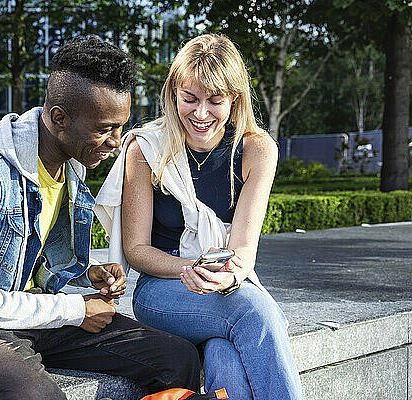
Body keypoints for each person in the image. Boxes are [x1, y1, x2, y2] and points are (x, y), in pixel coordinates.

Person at [0, 36, 201, 399]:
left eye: (121, 126)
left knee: (178, 358)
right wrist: (74, 309)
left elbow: (32, 259)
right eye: (105, 128)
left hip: (37, 317)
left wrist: (88, 275)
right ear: (59, 119)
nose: (117, 141)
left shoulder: (70, 165)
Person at [95, 34, 305, 399]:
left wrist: (222, 278)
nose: (201, 113)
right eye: (189, 99)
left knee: (221, 352)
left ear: (234, 99)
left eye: (215, 100)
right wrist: (191, 269)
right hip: (160, 290)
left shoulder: (257, 151)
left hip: (225, 283)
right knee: (255, 312)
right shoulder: (146, 148)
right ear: (174, 92)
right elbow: (137, 250)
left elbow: (243, 251)